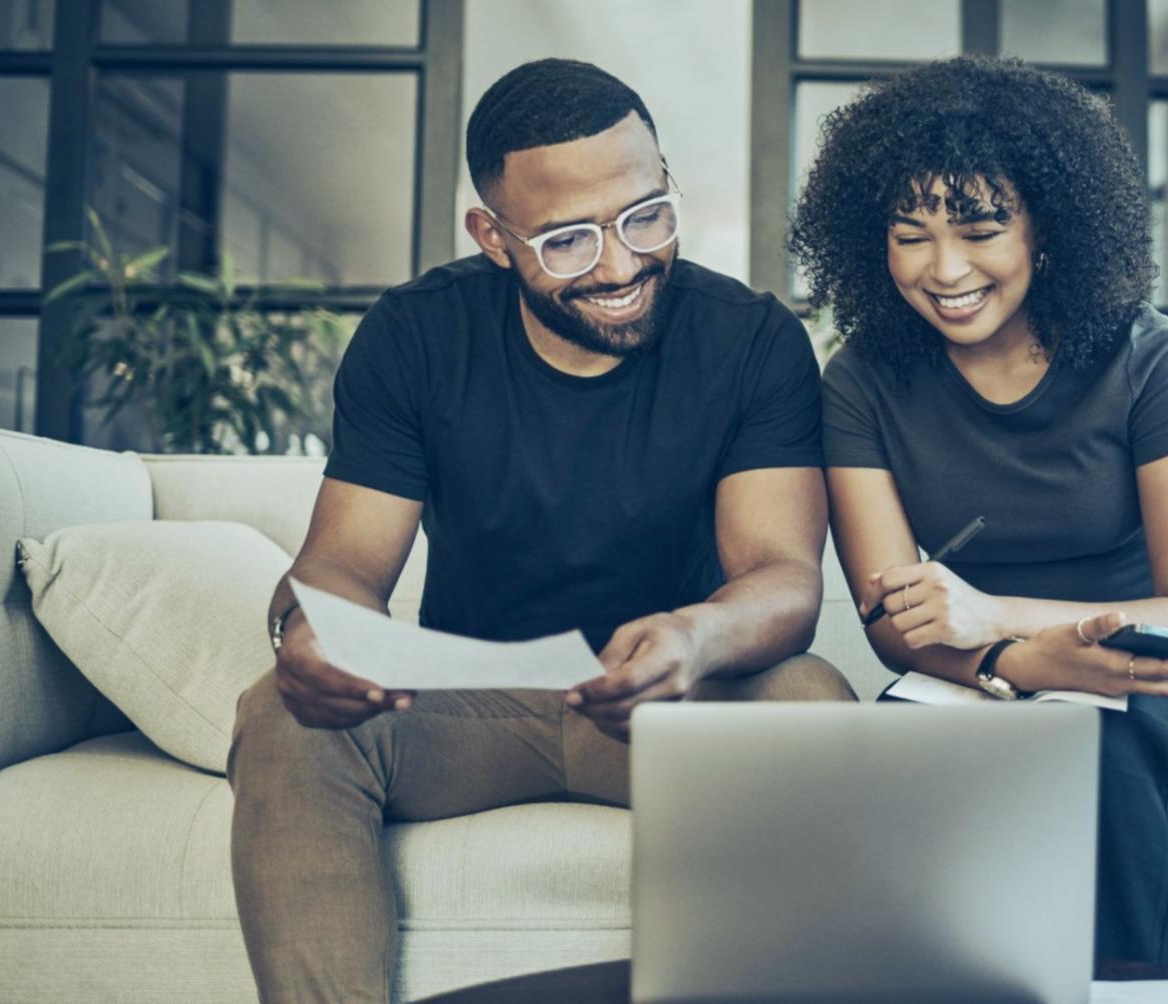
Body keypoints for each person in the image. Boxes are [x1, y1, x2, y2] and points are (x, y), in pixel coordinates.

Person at [228, 59, 852, 1002]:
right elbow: (344, 562)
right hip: (467, 705)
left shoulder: (751, 340)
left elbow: (782, 575)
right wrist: (311, 629)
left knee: (809, 697)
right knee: (281, 712)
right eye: (567, 241)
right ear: (492, 236)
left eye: (646, 216)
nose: (622, 264)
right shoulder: (415, 336)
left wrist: (695, 637)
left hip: (672, 704)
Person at [790, 55, 1168, 970]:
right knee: (877, 774)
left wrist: (996, 617)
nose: (945, 269)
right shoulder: (861, 380)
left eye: (981, 229)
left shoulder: (1150, 359)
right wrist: (1019, 664)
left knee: (1086, 751)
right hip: (977, 684)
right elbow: (895, 625)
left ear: (1046, 229)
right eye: (910, 235)